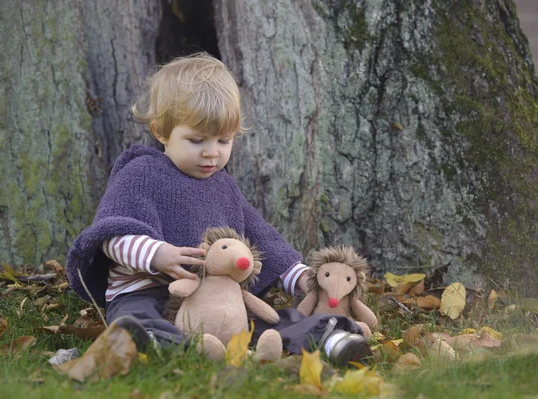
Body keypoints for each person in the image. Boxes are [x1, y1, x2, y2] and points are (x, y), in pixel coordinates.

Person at [66, 52, 369, 364]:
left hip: (214, 299)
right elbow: (112, 234)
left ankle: (330, 335)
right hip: (147, 292)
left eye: (224, 141)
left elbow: (262, 238)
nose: (211, 154)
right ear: (161, 131)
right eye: (197, 141)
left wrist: (300, 276)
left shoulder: (223, 187)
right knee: (137, 319)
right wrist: (157, 254)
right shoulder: (141, 174)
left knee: (268, 323)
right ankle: (168, 347)